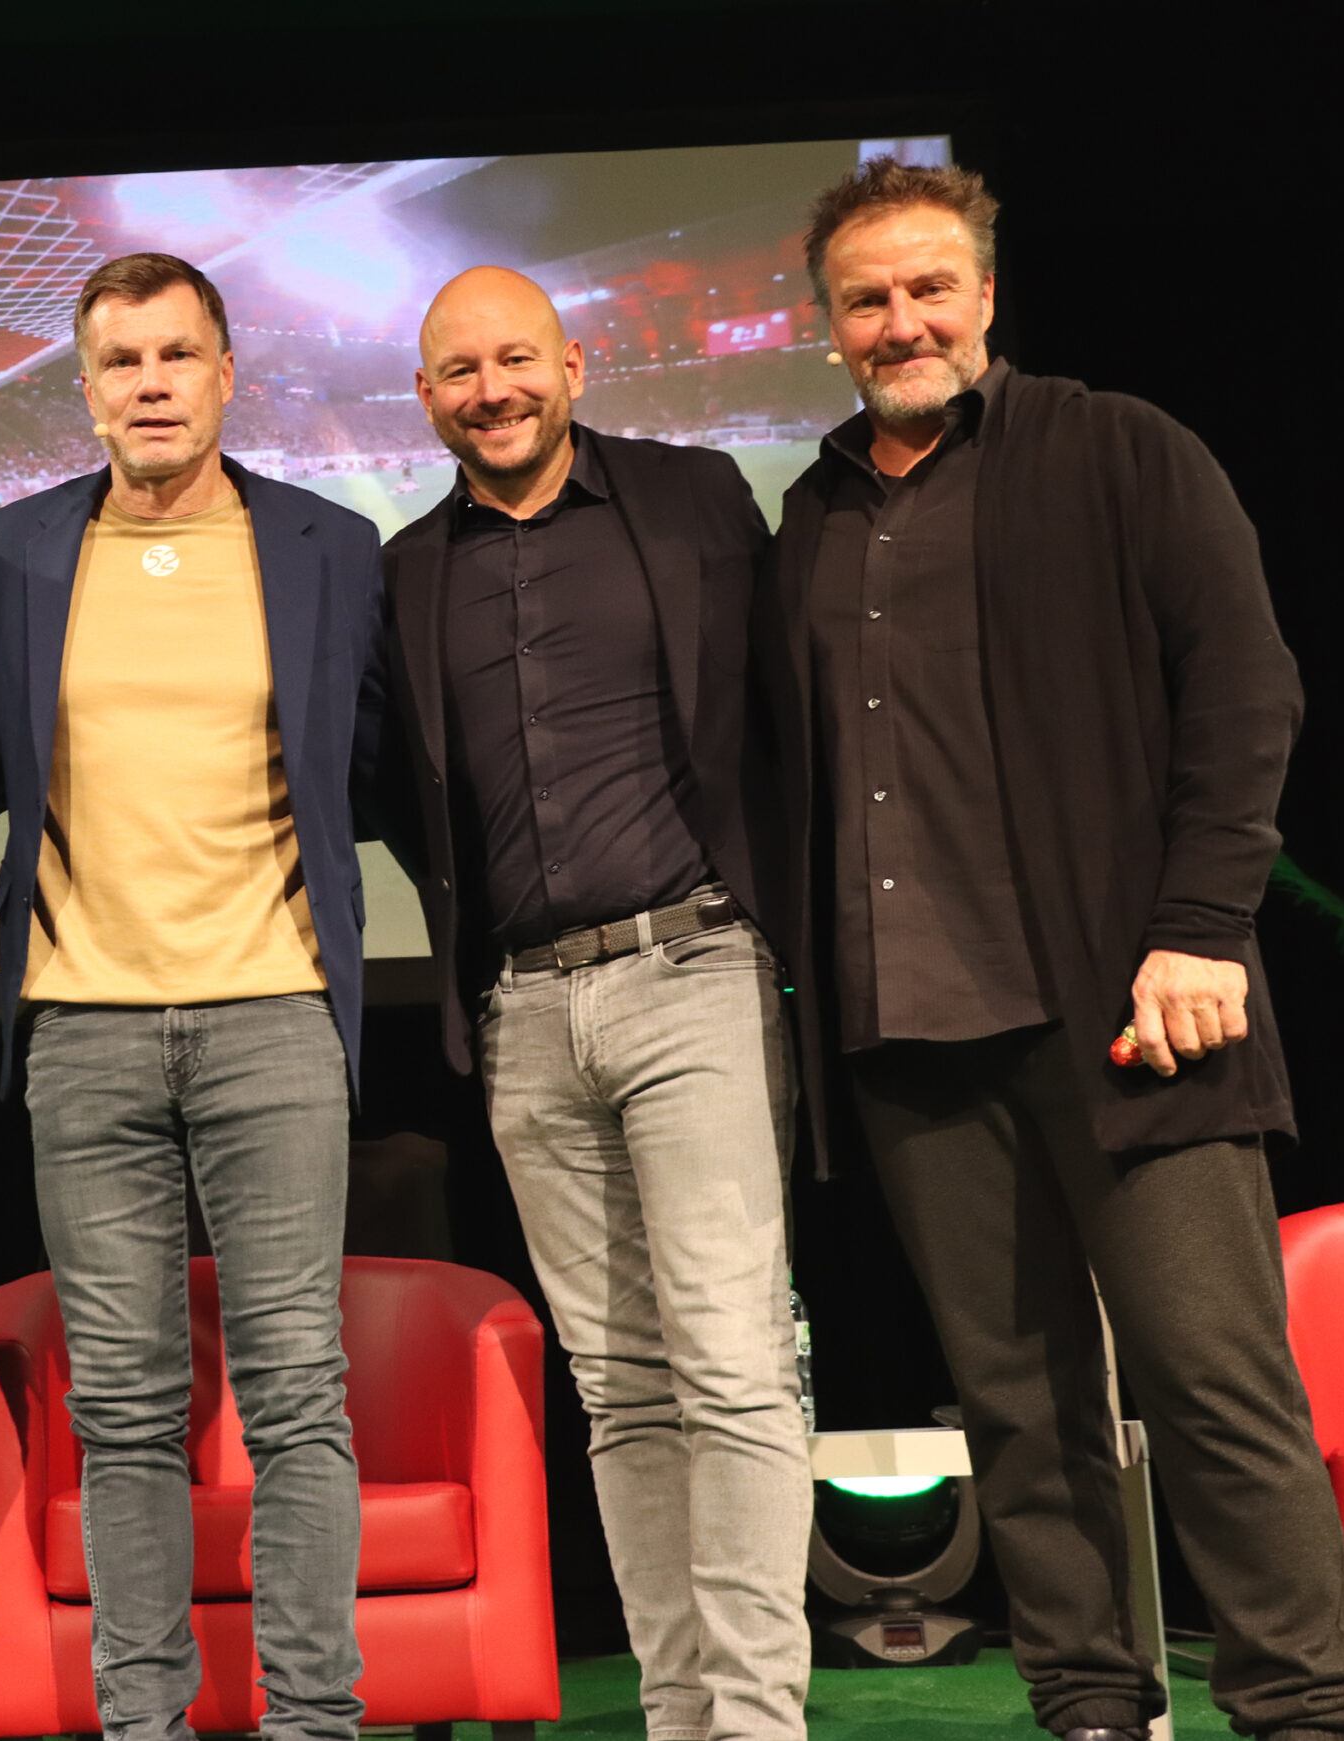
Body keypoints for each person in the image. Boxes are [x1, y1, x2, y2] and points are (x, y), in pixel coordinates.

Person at [756, 157, 1344, 1741]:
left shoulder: (1117, 447)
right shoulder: (813, 513)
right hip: (912, 1033)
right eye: (868, 299)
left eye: (928, 286)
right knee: (1020, 1410)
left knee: (1212, 1378)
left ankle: (1302, 1710)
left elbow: (1245, 686)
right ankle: (1091, 1703)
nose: (902, 321)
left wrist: (1199, 929)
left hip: (1131, 1011)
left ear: (983, 290)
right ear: (829, 323)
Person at [0, 253, 387, 1741]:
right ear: (86, 388)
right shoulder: (21, 547)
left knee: (297, 1395)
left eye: (177, 355)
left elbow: (377, 758)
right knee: (121, 1410)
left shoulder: (326, 544)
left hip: (276, 1015)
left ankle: (314, 1722)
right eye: (122, 362)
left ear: (226, 371)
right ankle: (143, 1722)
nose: (152, 384)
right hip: (84, 1026)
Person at [374, 266, 810, 1741]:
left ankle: (757, 1721)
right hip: (523, 1013)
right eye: (458, 372)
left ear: (573, 365)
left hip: (695, 974)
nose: (490, 390)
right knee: (620, 1390)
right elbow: (405, 792)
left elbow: (787, 706)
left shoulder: (695, 502)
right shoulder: (406, 570)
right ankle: (681, 1716)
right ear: (425, 398)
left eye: (515, 359)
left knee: (732, 1364)